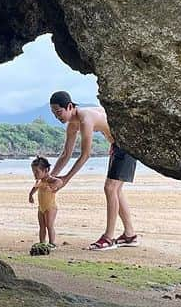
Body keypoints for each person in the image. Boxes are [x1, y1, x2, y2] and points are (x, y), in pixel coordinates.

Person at [48, 90, 139, 250]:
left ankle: (108, 238)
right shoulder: (72, 125)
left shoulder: (85, 118)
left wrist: (65, 180)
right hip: (117, 145)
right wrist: (49, 177)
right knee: (115, 190)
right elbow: (65, 155)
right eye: (54, 114)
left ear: (69, 106)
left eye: (59, 112)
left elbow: (85, 155)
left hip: (127, 142)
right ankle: (130, 235)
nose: (57, 116)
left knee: (110, 188)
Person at [28, 156, 60, 248]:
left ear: (46, 170)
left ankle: (52, 243)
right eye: (33, 172)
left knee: (49, 225)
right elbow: (35, 188)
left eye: (37, 172)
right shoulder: (39, 181)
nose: (35, 174)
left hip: (50, 207)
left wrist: (53, 186)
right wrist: (30, 195)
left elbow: (59, 181)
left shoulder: (50, 180)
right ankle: (42, 242)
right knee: (42, 226)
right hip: (41, 207)